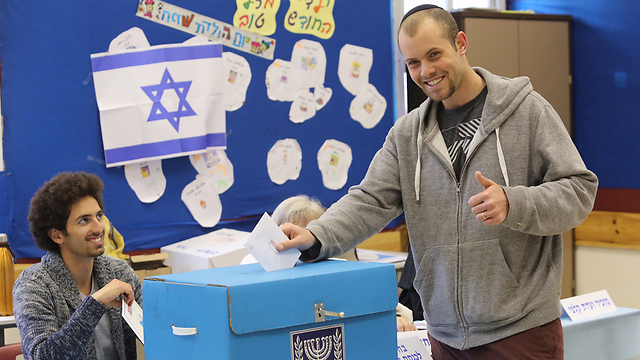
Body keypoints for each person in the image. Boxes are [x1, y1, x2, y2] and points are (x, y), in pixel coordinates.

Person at [278, 4, 598, 359]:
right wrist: (317, 234)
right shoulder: (407, 135)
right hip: (444, 336)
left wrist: (515, 203)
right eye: (413, 62)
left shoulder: (526, 111)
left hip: (520, 330)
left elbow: (579, 189)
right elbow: (369, 200)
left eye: (434, 55)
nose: (426, 71)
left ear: (460, 43)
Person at [14, 172, 142, 360]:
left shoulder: (120, 272)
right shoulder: (33, 285)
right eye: (84, 220)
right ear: (57, 235)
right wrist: (95, 303)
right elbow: (43, 356)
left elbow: (157, 328)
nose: (98, 228)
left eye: (98, 216)